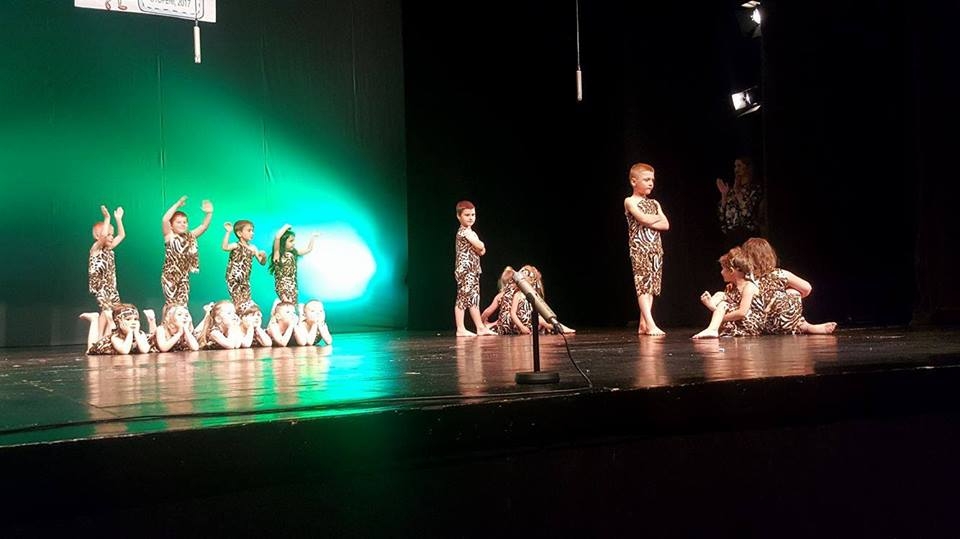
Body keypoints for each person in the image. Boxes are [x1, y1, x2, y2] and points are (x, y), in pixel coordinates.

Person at [740, 237, 837, 335]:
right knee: (793, 292)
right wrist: (784, 297)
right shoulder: (780, 274)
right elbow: (807, 288)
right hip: (781, 323)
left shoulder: (743, 277)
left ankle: (802, 326)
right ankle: (802, 325)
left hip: (756, 325)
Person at [624, 162, 669, 336]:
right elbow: (642, 219)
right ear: (634, 181)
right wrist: (655, 219)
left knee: (651, 287)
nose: (651, 183)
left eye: (652, 180)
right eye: (646, 179)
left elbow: (666, 225)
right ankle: (650, 324)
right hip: (640, 248)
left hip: (656, 249)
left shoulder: (655, 203)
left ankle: (643, 324)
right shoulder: (630, 201)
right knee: (643, 286)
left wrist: (652, 219)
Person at [692, 247, 764, 339]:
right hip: (738, 321)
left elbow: (742, 313)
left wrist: (720, 318)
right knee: (720, 295)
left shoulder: (748, 286)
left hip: (751, 324)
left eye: (723, 269)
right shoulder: (731, 288)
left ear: (731, 271)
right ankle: (713, 324)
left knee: (723, 304)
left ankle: (712, 329)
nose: (721, 272)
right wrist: (713, 309)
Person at [161, 196, 213, 309]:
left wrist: (209, 213)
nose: (182, 224)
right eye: (178, 222)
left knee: (182, 306)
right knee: (171, 306)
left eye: (185, 222)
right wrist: (177, 204)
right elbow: (165, 220)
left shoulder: (190, 236)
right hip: (170, 277)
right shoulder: (169, 236)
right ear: (171, 225)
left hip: (184, 277)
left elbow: (203, 227)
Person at [453, 200, 496, 337]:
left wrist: (480, 247)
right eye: (467, 215)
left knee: (474, 299)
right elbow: (480, 245)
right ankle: (460, 328)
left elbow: (482, 251)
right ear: (459, 216)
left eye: (473, 214)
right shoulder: (464, 232)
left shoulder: (471, 232)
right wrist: (480, 246)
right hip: (465, 270)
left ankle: (480, 327)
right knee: (463, 298)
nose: (471, 217)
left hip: (473, 269)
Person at [88, 205, 126, 338]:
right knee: (106, 309)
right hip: (100, 286)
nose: (111, 237)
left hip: (111, 287)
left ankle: (106, 335)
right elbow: (103, 236)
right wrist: (107, 218)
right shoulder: (96, 248)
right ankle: (99, 337)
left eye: (112, 235)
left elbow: (122, 235)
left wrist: (118, 219)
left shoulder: (109, 249)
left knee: (114, 310)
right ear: (98, 236)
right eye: (109, 234)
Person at [508, 265, 576, 335]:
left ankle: (558, 327)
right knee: (540, 320)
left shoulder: (534, 295)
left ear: (531, 281)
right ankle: (560, 328)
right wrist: (522, 327)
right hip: (523, 325)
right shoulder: (518, 294)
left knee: (542, 320)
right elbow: (513, 313)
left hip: (533, 323)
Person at [716, 157, 765, 245]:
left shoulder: (754, 189)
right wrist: (724, 196)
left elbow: (748, 214)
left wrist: (738, 193)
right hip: (731, 237)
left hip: (748, 236)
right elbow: (722, 217)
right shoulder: (731, 191)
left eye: (739, 166)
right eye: (735, 166)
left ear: (747, 168)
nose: (736, 169)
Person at [222, 220, 267, 312]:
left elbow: (262, 262)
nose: (252, 233)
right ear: (239, 233)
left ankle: (245, 317)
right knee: (238, 301)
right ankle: (238, 316)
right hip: (233, 278)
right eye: (249, 230)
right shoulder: (236, 245)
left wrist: (264, 256)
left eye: (252, 231)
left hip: (245, 280)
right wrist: (228, 232)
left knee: (247, 302)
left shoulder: (253, 248)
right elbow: (225, 247)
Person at [270, 224, 319, 305]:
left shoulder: (293, 253)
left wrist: (312, 237)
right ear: (283, 242)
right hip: (282, 288)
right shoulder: (277, 255)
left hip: (293, 286)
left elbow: (308, 249)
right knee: (287, 305)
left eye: (294, 241)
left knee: (292, 306)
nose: (294, 243)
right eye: (291, 241)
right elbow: (277, 237)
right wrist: (285, 227)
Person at [80, 303, 150, 355]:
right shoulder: (115, 337)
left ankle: (109, 319)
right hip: (103, 347)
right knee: (90, 349)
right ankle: (94, 319)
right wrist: (129, 333)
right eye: (128, 319)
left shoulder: (141, 334)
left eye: (136, 319)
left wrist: (136, 333)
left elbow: (144, 350)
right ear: (119, 322)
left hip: (118, 331)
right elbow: (124, 351)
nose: (133, 322)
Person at [480, 266, 517, 332]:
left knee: (500, 320)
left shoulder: (501, 295)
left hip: (505, 325)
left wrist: (481, 321)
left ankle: (486, 326)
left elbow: (488, 311)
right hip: (517, 324)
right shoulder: (519, 294)